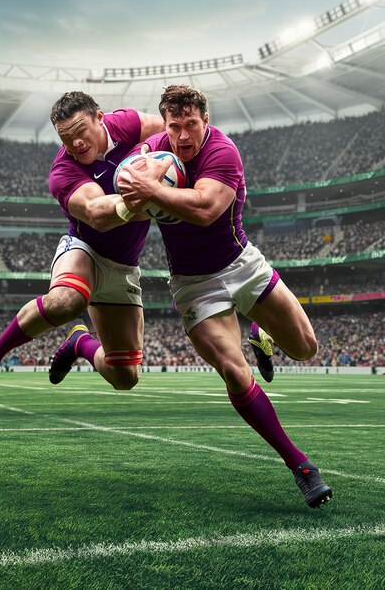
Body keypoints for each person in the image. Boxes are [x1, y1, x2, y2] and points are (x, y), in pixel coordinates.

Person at [116, 84, 332, 508]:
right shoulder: (154, 148)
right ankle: (301, 466)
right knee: (234, 371)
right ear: (166, 123)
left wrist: (153, 188)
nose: (181, 136)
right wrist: (137, 175)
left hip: (242, 265)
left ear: (205, 121)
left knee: (306, 348)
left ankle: (261, 334)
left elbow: (205, 209)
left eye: (190, 125)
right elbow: (126, 178)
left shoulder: (223, 151)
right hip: (194, 282)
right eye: (174, 126)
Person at [0, 91, 164, 392]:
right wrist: (158, 198)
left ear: (100, 118)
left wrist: (162, 163)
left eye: (81, 132)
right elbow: (98, 214)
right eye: (66, 139)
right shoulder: (63, 172)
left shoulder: (128, 124)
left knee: (125, 378)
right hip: (86, 249)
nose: (76, 144)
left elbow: (167, 133)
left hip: (125, 265)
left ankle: (80, 343)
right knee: (66, 302)